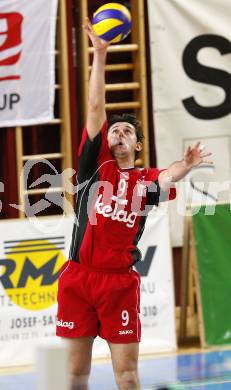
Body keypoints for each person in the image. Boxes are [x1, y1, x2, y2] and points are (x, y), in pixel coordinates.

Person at [56, 18, 213, 390]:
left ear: (137, 146)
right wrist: (99, 53)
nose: (119, 133)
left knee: (126, 375)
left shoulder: (145, 182)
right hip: (79, 278)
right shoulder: (96, 168)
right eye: (114, 130)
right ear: (105, 142)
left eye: (127, 131)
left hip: (119, 285)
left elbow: (167, 175)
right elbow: (95, 106)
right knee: (75, 374)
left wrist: (185, 166)